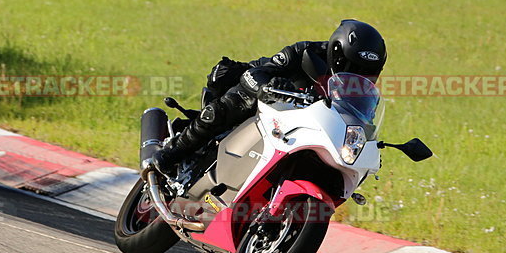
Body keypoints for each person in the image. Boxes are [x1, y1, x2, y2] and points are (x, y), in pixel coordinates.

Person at [150, 19, 387, 175]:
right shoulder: (305, 52)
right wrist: (268, 86)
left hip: (300, 126)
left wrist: (368, 142)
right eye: (352, 65)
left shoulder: (359, 90)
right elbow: (257, 73)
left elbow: (358, 117)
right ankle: (172, 154)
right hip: (266, 97)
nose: (357, 74)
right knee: (232, 103)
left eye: (366, 71)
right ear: (337, 52)